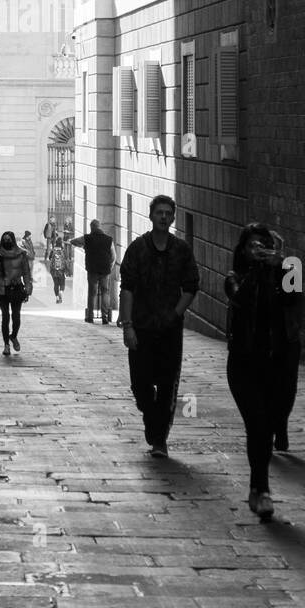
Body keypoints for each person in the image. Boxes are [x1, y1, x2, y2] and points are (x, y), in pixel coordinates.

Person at [223, 223, 303, 521]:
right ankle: (262, 489)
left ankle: (258, 488)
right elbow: (240, 297)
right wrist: (257, 269)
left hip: (277, 362)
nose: (257, 250)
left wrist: (282, 266)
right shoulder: (234, 278)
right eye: (252, 246)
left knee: (268, 426)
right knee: (256, 425)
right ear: (243, 250)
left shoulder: (283, 277)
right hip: (244, 364)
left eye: (263, 246)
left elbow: (294, 297)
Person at [119, 196, 199, 458]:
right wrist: (127, 326)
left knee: (167, 386)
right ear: (151, 216)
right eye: (159, 213)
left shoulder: (181, 251)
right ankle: (151, 419)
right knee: (140, 386)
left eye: (168, 213)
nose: (163, 217)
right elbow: (127, 289)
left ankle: (159, 440)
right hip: (141, 327)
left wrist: (175, 315)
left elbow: (190, 287)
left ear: (173, 218)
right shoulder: (137, 249)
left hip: (169, 331)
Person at [0, 230, 33, 356]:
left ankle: (13, 335)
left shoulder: (21, 254)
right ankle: (6, 344)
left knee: (16, 316)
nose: (7, 241)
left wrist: (28, 287)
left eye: (9, 239)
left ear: (13, 240)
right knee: (5, 317)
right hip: (3, 289)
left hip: (16, 288)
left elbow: (26, 272)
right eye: (4, 239)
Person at [71, 219, 117, 324]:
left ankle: (90, 317)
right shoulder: (108, 239)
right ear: (99, 226)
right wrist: (109, 267)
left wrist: (83, 246)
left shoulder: (87, 238)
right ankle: (105, 317)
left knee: (92, 293)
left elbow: (73, 241)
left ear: (91, 227)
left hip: (92, 269)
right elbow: (114, 256)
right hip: (105, 270)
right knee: (105, 292)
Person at [48, 235, 67, 304]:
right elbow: (66, 260)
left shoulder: (53, 250)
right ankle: (61, 292)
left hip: (54, 270)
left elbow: (49, 258)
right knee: (62, 283)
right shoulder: (63, 250)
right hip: (61, 270)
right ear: (61, 243)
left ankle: (57, 297)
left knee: (56, 284)